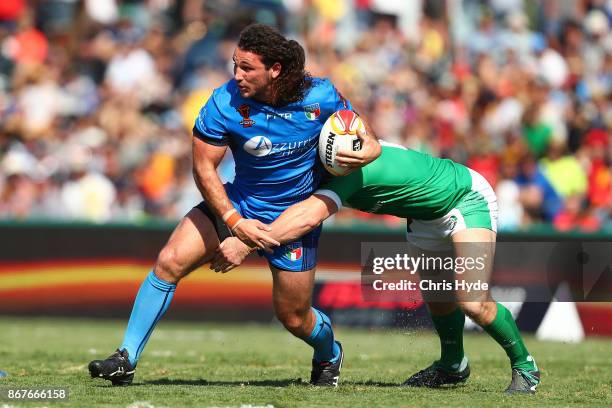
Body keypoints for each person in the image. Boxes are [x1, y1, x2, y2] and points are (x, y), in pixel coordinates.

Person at [88, 23, 381, 386]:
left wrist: (367, 151)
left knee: (294, 317)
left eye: (247, 68)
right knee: (169, 262)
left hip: (294, 217)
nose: (237, 75)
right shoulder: (223, 103)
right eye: (235, 65)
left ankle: (329, 354)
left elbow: (361, 136)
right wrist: (233, 219)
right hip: (237, 204)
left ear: (275, 70)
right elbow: (203, 167)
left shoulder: (321, 96)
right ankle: (126, 358)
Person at [213, 141, 541, 395]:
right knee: (439, 299)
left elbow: (309, 216)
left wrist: (246, 241)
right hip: (426, 217)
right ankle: (453, 366)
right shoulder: (344, 154)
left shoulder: (349, 172)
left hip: (465, 198)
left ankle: (526, 368)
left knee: (472, 301)